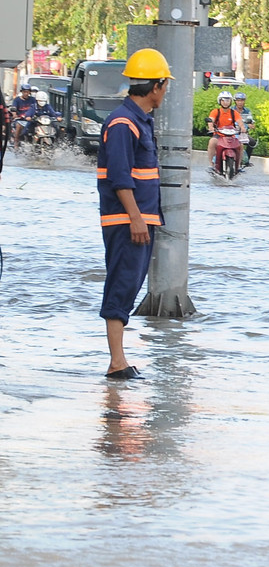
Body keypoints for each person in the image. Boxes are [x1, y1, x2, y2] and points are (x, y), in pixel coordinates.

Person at [98, 49, 173, 380]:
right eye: (165, 85)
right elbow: (119, 176)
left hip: (139, 218)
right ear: (156, 87)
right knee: (123, 284)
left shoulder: (138, 120)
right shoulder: (123, 122)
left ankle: (120, 359)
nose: (165, 91)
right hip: (128, 220)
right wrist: (137, 218)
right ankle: (117, 361)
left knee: (129, 284)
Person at [205, 90, 243, 169]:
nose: (226, 102)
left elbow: (240, 122)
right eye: (223, 100)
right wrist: (211, 127)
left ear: (231, 101)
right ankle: (211, 164)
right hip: (219, 135)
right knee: (212, 142)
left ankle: (238, 165)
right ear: (220, 101)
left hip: (231, 136)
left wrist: (242, 128)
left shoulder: (234, 113)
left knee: (241, 144)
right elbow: (211, 120)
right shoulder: (216, 111)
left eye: (228, 100)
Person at [10, 83, 37, 148]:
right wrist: (15, 115)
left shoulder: (33, 100)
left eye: (27, 92)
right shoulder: (17, 100)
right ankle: (16, 142)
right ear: (21, 92)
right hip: (21, 119)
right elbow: (14, 109)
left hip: (30, 119)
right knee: (18, 126)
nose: (26, 93)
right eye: (24, 92)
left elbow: (36, 108)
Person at [233, 92, 256, 168]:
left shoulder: (247, 111)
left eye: (242, 100)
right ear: (235, 101)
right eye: (238, 100)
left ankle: (246, 161)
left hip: (242, 133)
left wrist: (251, 125)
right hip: (232, 133)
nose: (240, 102)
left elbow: (251, 121)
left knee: (252, 142)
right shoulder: (231, 110)